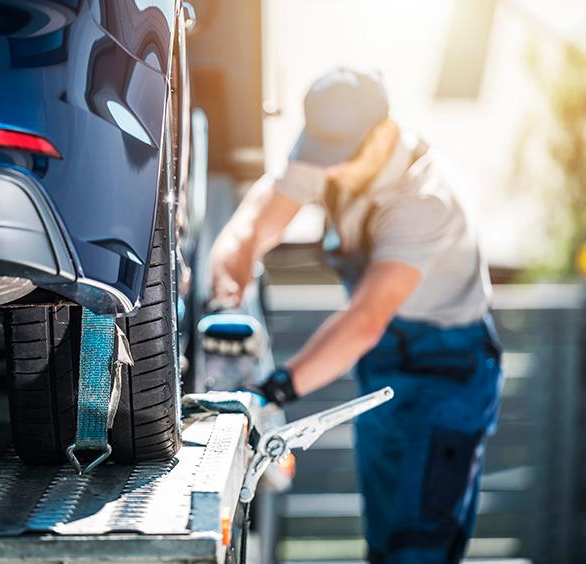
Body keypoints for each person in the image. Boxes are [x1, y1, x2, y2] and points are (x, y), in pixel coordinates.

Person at [210, 67, 504, 563]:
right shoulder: (329, 147)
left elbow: (366, 318)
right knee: (386, 533)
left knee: (419, 544)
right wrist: (227, 288)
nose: (330, 173)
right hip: (385, 360)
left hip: (445, 374)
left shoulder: (425, 199)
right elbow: (254, 226)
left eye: (342, 159)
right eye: (322, 158)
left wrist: (273, 391)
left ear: (384, 134)